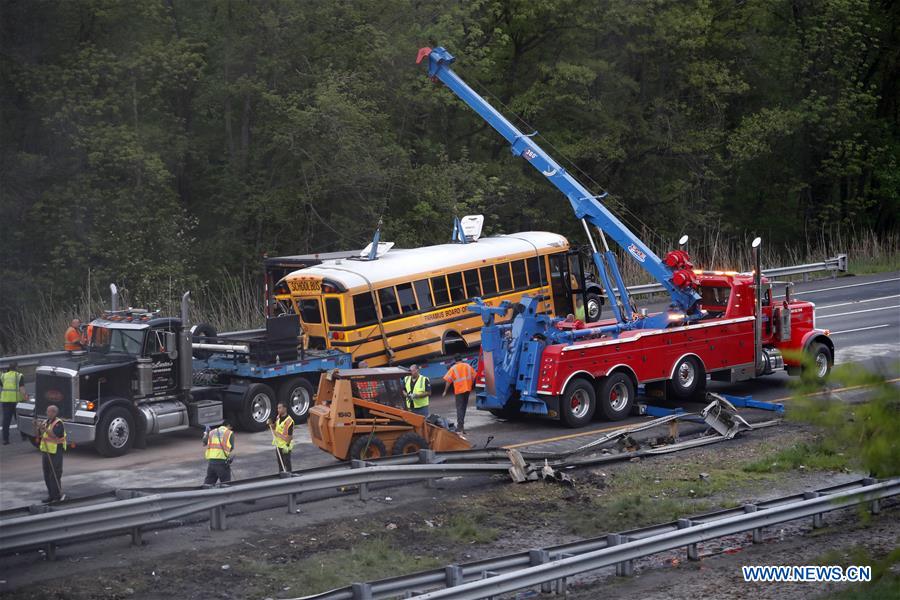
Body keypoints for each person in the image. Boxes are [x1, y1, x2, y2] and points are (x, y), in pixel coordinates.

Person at [33, 405, 66, 502]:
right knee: (46, 474)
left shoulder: (58, 423)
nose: (47, 413)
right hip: (46, 452)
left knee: (55, 474)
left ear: (54, 413)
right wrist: (36, 426)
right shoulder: (45, 422)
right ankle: (51, 495)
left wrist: (44, 428)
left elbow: (54, 435)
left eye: (49, 412)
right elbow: (38, 435)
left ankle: (57, 496)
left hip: (56, 451)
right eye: (47, 411)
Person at [442, 356, 476, 434]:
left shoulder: (453, 368)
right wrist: (470, 384)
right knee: (463, 408)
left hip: (459, 391)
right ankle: (461, 426)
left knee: (460, 408)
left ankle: (460, 427)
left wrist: (445, 391)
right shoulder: (468, 366)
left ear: (455, 360)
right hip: (467, 389)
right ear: (461, 360)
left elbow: (448, 381)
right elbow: (474, 376)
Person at [1, 362, 27, 445]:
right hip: (16, 400)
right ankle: (24, 436)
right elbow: (22, 388)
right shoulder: (19, 376)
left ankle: (5, 439)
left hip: (5, 400)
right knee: (19, 419)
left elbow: (3, 385)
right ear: (16, 367)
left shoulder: (3, 375)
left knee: (6, 421)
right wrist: (25, 397)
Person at [268, 402, 294, 473]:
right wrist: (270, 424)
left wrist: (287, 446)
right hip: (278, 444)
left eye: (280, 408)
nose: (278, 409)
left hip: (286, 445)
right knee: (280, 463)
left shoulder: (289, 421)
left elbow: (289, 436)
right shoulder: (278, 417)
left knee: (286, 463)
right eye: (277, 408)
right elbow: (275, 427)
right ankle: (281, 476)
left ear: (285, 408)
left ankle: (289, 476)